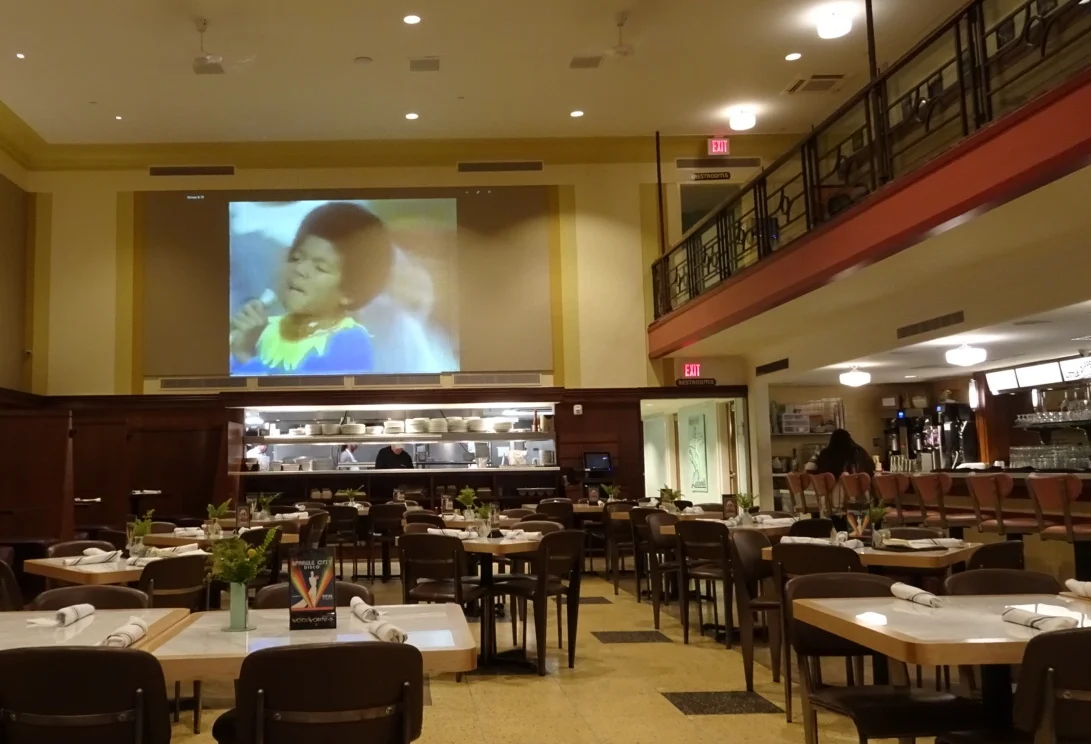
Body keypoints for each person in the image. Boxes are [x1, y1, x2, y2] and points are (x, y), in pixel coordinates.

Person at [230, 202, 394, 375]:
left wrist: (246, 355)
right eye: (296, 258)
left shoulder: (349, 344)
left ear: (350, 292)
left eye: (320, 268)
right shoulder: (265, 329)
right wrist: (237, 345)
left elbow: (299, 391)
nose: (300, 269)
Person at [808, 429, 875, 475]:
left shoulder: (824, 453)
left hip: (827, 489)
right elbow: (871, 467)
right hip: (854, 487)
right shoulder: (857, 451)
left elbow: (809, 469)